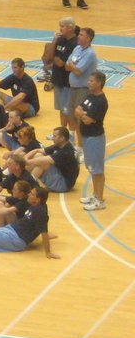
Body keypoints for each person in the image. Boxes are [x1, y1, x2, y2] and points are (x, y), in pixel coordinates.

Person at [77, 70, 108, 211]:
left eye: (91, 81)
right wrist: (83, 113)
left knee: (97, 170)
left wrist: (82, 114)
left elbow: (88, 120)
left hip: (95, 139)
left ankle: (100, 200)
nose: (88, 83)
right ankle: (95, 195)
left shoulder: (101, 101)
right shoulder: (90, 96)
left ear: (99, 83)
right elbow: (77, 109)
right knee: (92, 168)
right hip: (87, 138)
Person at [66, 26, 98, 146]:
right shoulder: (77, 48)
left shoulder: (90, 54)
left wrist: (72, 66)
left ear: (88, 38)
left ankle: (81, 147)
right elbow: (67, 66)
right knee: (72, 116)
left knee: (80, 118)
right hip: (73, 88)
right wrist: (73, 66)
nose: (78, 36)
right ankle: (75, 143)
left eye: (81, 35)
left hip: (83, 89)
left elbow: (78, 71)